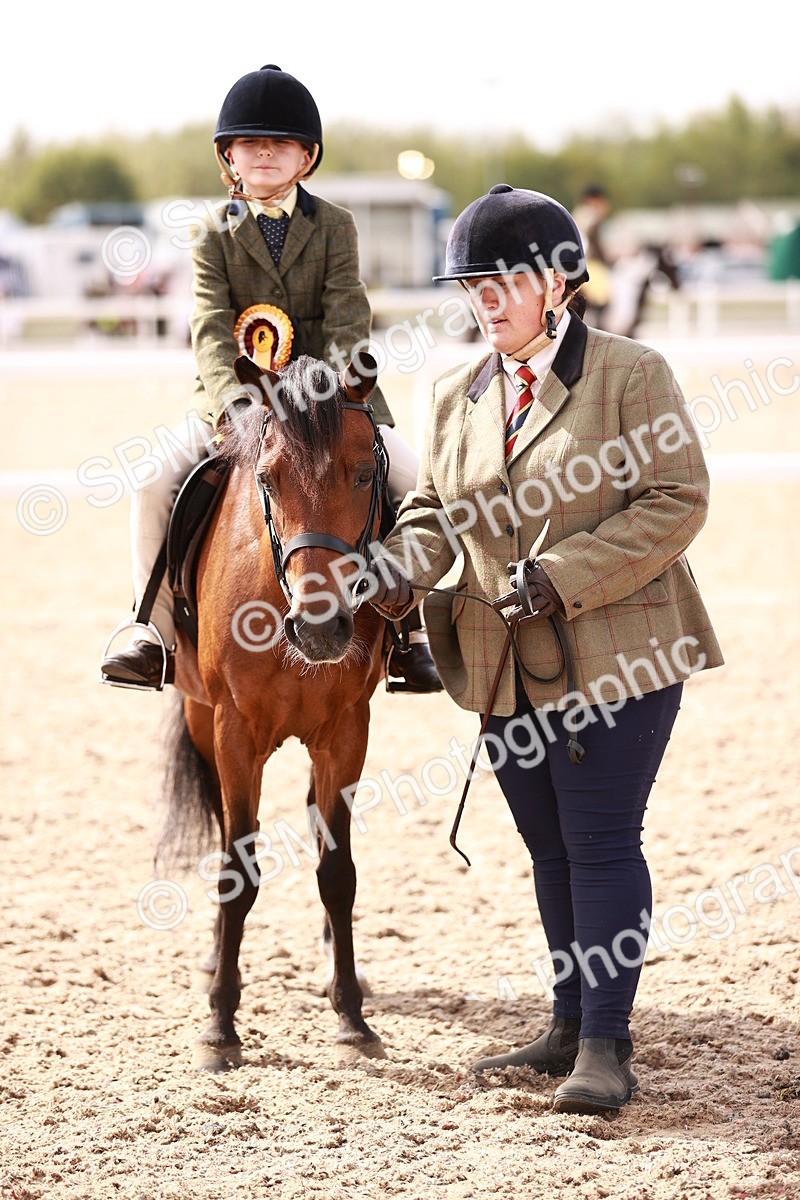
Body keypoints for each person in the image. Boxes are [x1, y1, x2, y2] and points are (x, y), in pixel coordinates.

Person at [369, 184, 723, 1114]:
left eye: (502, 283)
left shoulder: (629, 372)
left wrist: (562, 573)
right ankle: (567, 1021)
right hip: (498, 660)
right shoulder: (452, 391)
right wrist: (390, 570)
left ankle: (608, 1044)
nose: (483, 301)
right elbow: (433, 513)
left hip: (621, 649)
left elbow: (676, 499)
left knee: (602, 842)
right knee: (549, 848)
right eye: (472, 286)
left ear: (558, 283)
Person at [100, 65, 440, 693]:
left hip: (329, 404)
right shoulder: (210, 233)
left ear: (306, 156)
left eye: (280, 143)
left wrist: (335, 396)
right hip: (237, 403)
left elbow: (346, 315)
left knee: (411, 478)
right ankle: (153, 633)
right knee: (151, 482)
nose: (263, 152)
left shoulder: (335, 225)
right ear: (228, 156)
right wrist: (234, 406)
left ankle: (408, 635)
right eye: (250, 143)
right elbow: (208, 325)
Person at [572, 184, 613, 329]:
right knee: (602, 297)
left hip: (585, 260)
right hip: (589, 262)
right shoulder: (589, 216)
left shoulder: (581, 214)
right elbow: (593, 244)